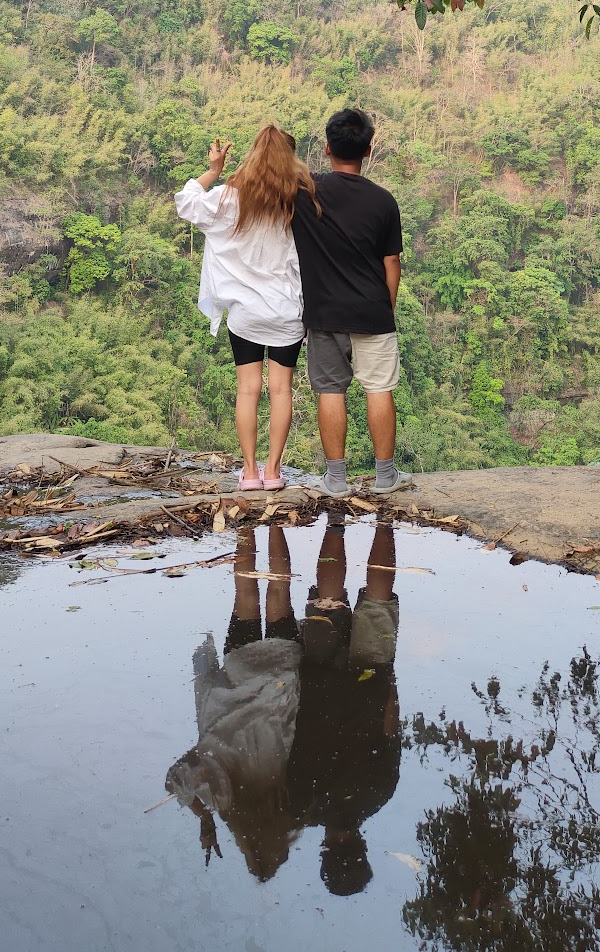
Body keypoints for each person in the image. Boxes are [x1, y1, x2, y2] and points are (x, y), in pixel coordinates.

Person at [175, 126, 317, 489]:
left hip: (246, 314)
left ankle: (251, 472)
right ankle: (274, 471)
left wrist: (214, 171)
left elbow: (187, 203)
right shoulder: (299, 201)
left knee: (248, 390)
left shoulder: (231, 198)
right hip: (286, 310)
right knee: (281, 390)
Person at [164, 524, 302, 880]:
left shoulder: (288, 799)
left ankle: (274, 517)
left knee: (279, 589)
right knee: (245, 591)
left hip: (278, 681)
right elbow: (176, 781)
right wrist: (204, 818)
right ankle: (246, 521)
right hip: (238, 676)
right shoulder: (222, 799)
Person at [291, 108, 410, 497]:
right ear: (368, 150)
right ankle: (385, 476)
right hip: (372, 309)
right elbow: (391, 262)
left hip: (324, 312)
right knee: (379, 388)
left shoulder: (305, 192)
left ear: (327, 148)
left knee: (331, 390)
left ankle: (336, 480)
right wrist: (386, 306)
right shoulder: (383, 201)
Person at [286, 514, 402, 896]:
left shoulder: (379, 794)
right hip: (317, 680)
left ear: (362, 849)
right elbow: (289, 732)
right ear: (325, 853)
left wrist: (389, 681)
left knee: (378, 602)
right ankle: (335, 519)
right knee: (329, 602)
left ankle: (385, 520)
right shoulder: (303, 803)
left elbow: (389, 729)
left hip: (371, 682)